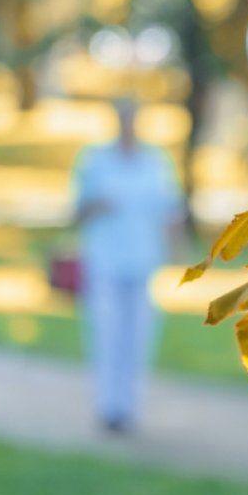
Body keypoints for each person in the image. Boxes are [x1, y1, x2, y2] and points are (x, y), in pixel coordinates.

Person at [72, 97, 183, 434]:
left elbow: (171, 210)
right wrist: (97, 205)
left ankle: (129, 407)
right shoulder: (95, 162)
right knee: (107, 334)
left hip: (142, 261)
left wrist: (176, 250)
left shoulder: (155, 163)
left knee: (137, 336)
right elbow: (76, 212)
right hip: (104, 261)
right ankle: (109, 407)